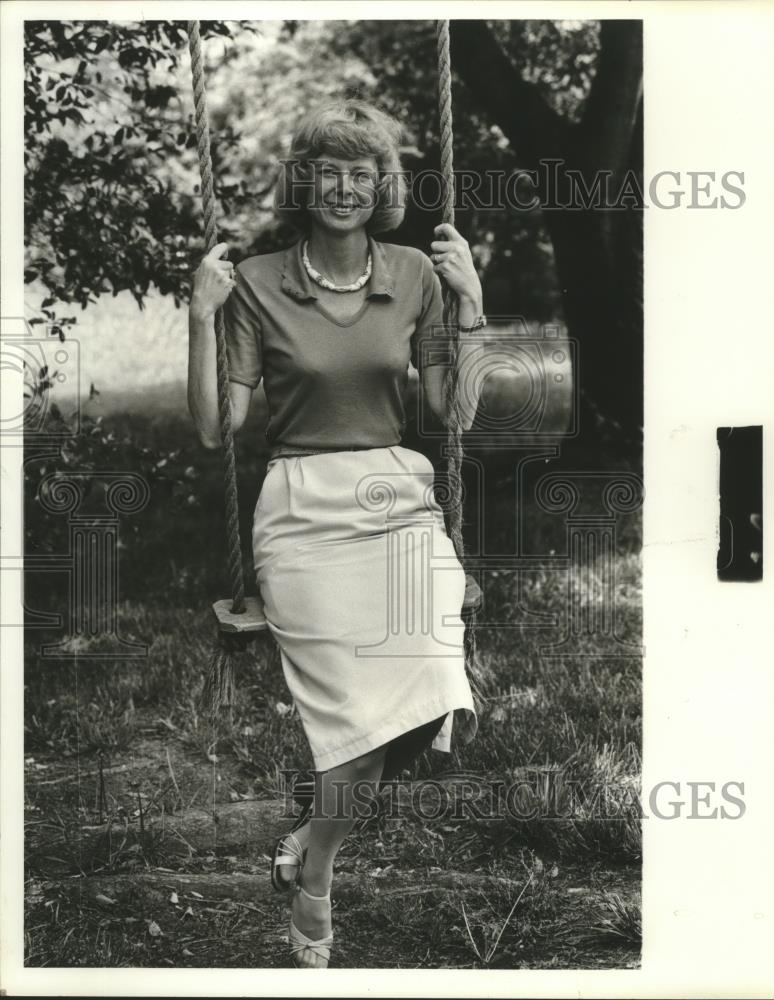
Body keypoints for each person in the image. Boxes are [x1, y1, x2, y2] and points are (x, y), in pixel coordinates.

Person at [188, 99, 484, 968]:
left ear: (382, 184)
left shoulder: (416, 273)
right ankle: (315, 884)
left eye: (363, 171)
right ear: (306, 181)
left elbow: (455, 413)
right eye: (329, 169)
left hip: (398, 500)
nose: (346, 186)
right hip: (301, 512)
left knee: (428, 686)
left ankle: (309, 849)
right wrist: (199, 316)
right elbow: (217, 429)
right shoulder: (259, 280)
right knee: (353, 723)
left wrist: (471, 304)